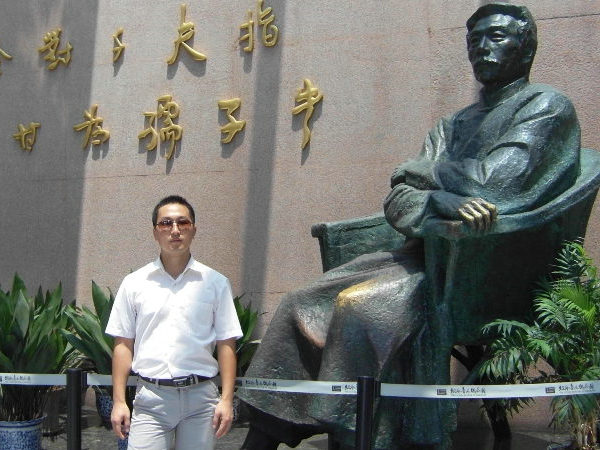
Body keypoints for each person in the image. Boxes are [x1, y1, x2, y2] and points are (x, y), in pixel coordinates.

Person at [239, 3, 581, 449]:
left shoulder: (547, 108)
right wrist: (439, 199)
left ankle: (357, 436)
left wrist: (426, 173)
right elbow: (399, 198)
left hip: (486, 268)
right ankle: (265, 434)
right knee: (298, 302)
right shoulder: (452, 125)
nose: (481, 47)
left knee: (359, 307)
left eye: (496, 37)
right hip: (423, 253)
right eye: (473, 39)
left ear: (526, 47)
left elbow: (496, 183)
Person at [105, 195, 243, 450]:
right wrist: (119, 401)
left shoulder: (215, 283)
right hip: (151, 400)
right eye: (166, 223)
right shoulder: (134, 283)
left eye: (183, 223)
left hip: (201, 400)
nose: (175, 230)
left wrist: (226, 399)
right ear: (155, 232)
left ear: (194, 230)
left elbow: (226, 343)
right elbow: (123, 344)